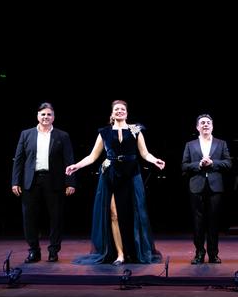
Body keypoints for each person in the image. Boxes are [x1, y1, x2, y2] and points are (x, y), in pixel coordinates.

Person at [65, 100, 164, 265]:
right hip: (110, 175)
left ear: (127, 112)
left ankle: (134, 250)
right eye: (116, 109)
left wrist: (155, 160)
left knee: (134, 213)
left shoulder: (135, 130)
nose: (119, 111)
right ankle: (120, 254)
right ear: (112, 114)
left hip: (131, 174)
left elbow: (145, 154)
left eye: (122, 109)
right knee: (114, 215)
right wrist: (76, 166)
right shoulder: (104, 132)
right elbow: (92, 156)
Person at [11, 102, 76, 263]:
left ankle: (53, 251)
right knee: (29, 217)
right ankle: (34, 251)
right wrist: (15, 181)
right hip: (30, 181)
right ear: (37, 116)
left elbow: (69, 160)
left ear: (53, 117)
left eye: (49, 114)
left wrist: (70, 182)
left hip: (54, 181)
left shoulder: (62, 135)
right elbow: (18, 160)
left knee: (56, 217)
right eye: (43, 114)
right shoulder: (26, 134)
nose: (46, 117)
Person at [182, 114, 232, 264]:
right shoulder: (190, 145)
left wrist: (212, 163)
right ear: (197, 127)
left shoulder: (221, 143)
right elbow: (184, 166)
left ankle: (213, 254)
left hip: (215, 187)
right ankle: (199, 253)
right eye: (202, 123)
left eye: (208, 123)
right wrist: (198, 165)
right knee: (198, 222)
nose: (205, 125)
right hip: (196, 186)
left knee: (214, 221)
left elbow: (228, 163)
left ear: (212, 126)